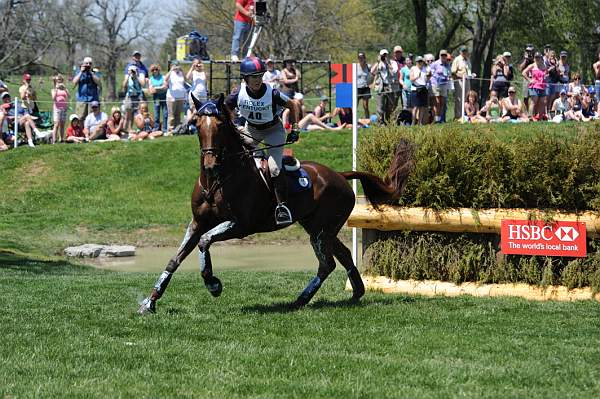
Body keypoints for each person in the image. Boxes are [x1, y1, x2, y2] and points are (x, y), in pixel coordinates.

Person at [224, 56, 300, 225]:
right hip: (251, 130)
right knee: (234, 158)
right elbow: (226, 107)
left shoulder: (272, 92)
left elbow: (293, 105)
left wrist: (295, 128)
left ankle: (282, 207)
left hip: (274, 130)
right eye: (254, 76)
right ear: (245, 78)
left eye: (260, 75)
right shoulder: (238, 93)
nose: (258, 80)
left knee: (273, 168)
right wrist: (233, 124)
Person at [371, 49, 394, 124]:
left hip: (388, 86)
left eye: (385, 55)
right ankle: (380, 122)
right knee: (380, 106)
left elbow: (392, 72)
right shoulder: (378, 63)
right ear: (380, 55)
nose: (384, 56)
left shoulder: (388, 63)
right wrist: (378, 62)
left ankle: (387, 121)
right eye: (383, 55)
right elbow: (372, 71)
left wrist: (387, 63)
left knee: (389, 105)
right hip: (380, 86)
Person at [522, 52, 547, 120]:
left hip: (542, 86)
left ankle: (540, 117)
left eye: (538, 57)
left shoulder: (544, 66)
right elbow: (523, 72)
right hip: (534, 86)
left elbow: (546, 73)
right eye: (536, 57)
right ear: (534, 58)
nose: (537, 58)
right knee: (533, 101)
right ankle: (530, 117)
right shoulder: (532, 65)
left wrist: (546, 76)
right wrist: (529, 80)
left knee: (542, 102)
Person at [165, 61, 187, 135]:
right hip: (172, 97)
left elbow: (186, 79)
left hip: (180, 97)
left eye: (178, 65)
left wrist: (182, 70)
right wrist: (171, 70)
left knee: (178, 114)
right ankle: (170, 130)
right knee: (171, 115)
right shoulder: (171, 73)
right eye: (175, 65)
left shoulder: (181, 73)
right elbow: (165, 79)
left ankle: (177, 129)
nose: (176, 67)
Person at [451, 46, 474, 121]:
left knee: (467, 98)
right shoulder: (457, 59)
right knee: (459, 98)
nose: (464, 52)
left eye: (465, 51)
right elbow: (453, 72)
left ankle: (466, 115)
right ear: (460, 52)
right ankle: (458, 116)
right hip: (459, 81)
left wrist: (471, 75)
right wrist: (461, 76)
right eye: (463, 51)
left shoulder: (468, 60)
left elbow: (469, 70)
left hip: (467, 81)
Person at [121, 65, 145, 131]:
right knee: (128, 114)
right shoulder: (128, 78)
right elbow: (123, 86)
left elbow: (143, 84)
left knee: (138, 113)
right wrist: (129, 75)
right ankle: (127, 129)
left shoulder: (139, 77)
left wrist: (136, 76)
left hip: (138, 96)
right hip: (129, 96)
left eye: (133, 70)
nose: (132, 72)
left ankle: (139, 128)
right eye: (131, 70)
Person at [430, 50, 451, 123]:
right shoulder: (435, 64)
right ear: (439, 56)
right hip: (436, 84)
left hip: (444, 84)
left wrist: (448, 77)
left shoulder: (447, 64)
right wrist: (438, 76)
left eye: (445, 55)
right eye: (442, 55)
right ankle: (436, 119)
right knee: (437, 102)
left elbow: (449, 73)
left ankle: (440, 119)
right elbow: (431, 73)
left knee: (442, 102)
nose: (443, 57)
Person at [148, 64, 168, 133]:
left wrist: (156, 88)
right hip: (156, 97)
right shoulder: (151, 79)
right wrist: (160, 87)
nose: (155, 71)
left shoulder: (163, 77)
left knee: (165, 113)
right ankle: (156, 128)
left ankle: (165, 128)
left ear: (158, 70)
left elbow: (165, 87)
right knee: (156, 113)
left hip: (163, 96)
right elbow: (151, 90)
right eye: (153, 70)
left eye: (156, 69)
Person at [410, 56, 429, 125]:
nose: (420, 63)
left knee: (422, 107)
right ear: (416, 62)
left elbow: (426, 80)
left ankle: (420, 122)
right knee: (415, 107)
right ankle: (413, 122)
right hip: (416, 89)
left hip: (423, 88)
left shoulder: (425, 69)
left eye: (421, 61)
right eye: (418, 61)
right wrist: (417, 76)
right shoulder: (413, 68)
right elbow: (411, 79)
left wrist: (428, 77)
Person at [51, 75, 69, 144]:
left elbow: (68, 96)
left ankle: (61, 139)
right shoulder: (53, 89)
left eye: (60, 79)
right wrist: (56, 89)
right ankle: (54, 140)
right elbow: (53, 98)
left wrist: (65, 89)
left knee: (62, 124)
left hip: (64, 108)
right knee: (56, 124)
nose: (59, 81)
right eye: (58, 79)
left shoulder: (64, 89)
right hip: (57, 108)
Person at [519, 44, 535, 112]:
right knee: (525, 97)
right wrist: (526, 59)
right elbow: (520, 69)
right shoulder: (524, 58)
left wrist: (532, 59)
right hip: (526, 79)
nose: (529, 52)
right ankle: (526, 112)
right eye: (527, 51)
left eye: (530, 51)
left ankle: (532, 112)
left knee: (534, 97)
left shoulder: (535, 57)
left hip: (534, 79)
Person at [356, 52, 372, 118]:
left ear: (364, 58)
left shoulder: (369, 66)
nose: (360, 59)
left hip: (365, 88)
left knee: (365, 106)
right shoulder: (355, 66)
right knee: (355, 105)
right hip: (357, 88)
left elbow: (374, 74)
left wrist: (372, 83)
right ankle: (352, 120)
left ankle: (367, 119)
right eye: (359, 58)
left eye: (362, 57)